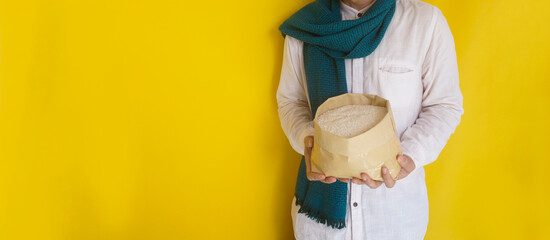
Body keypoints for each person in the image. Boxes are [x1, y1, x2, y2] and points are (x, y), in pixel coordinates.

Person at [276, 0, 464, 239]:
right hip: (320, 223)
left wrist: (408, 156)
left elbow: (444, 105)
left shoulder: (425, 22)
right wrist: (311, 145)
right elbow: (292, 102)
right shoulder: (307, 26)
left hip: (395, 218)